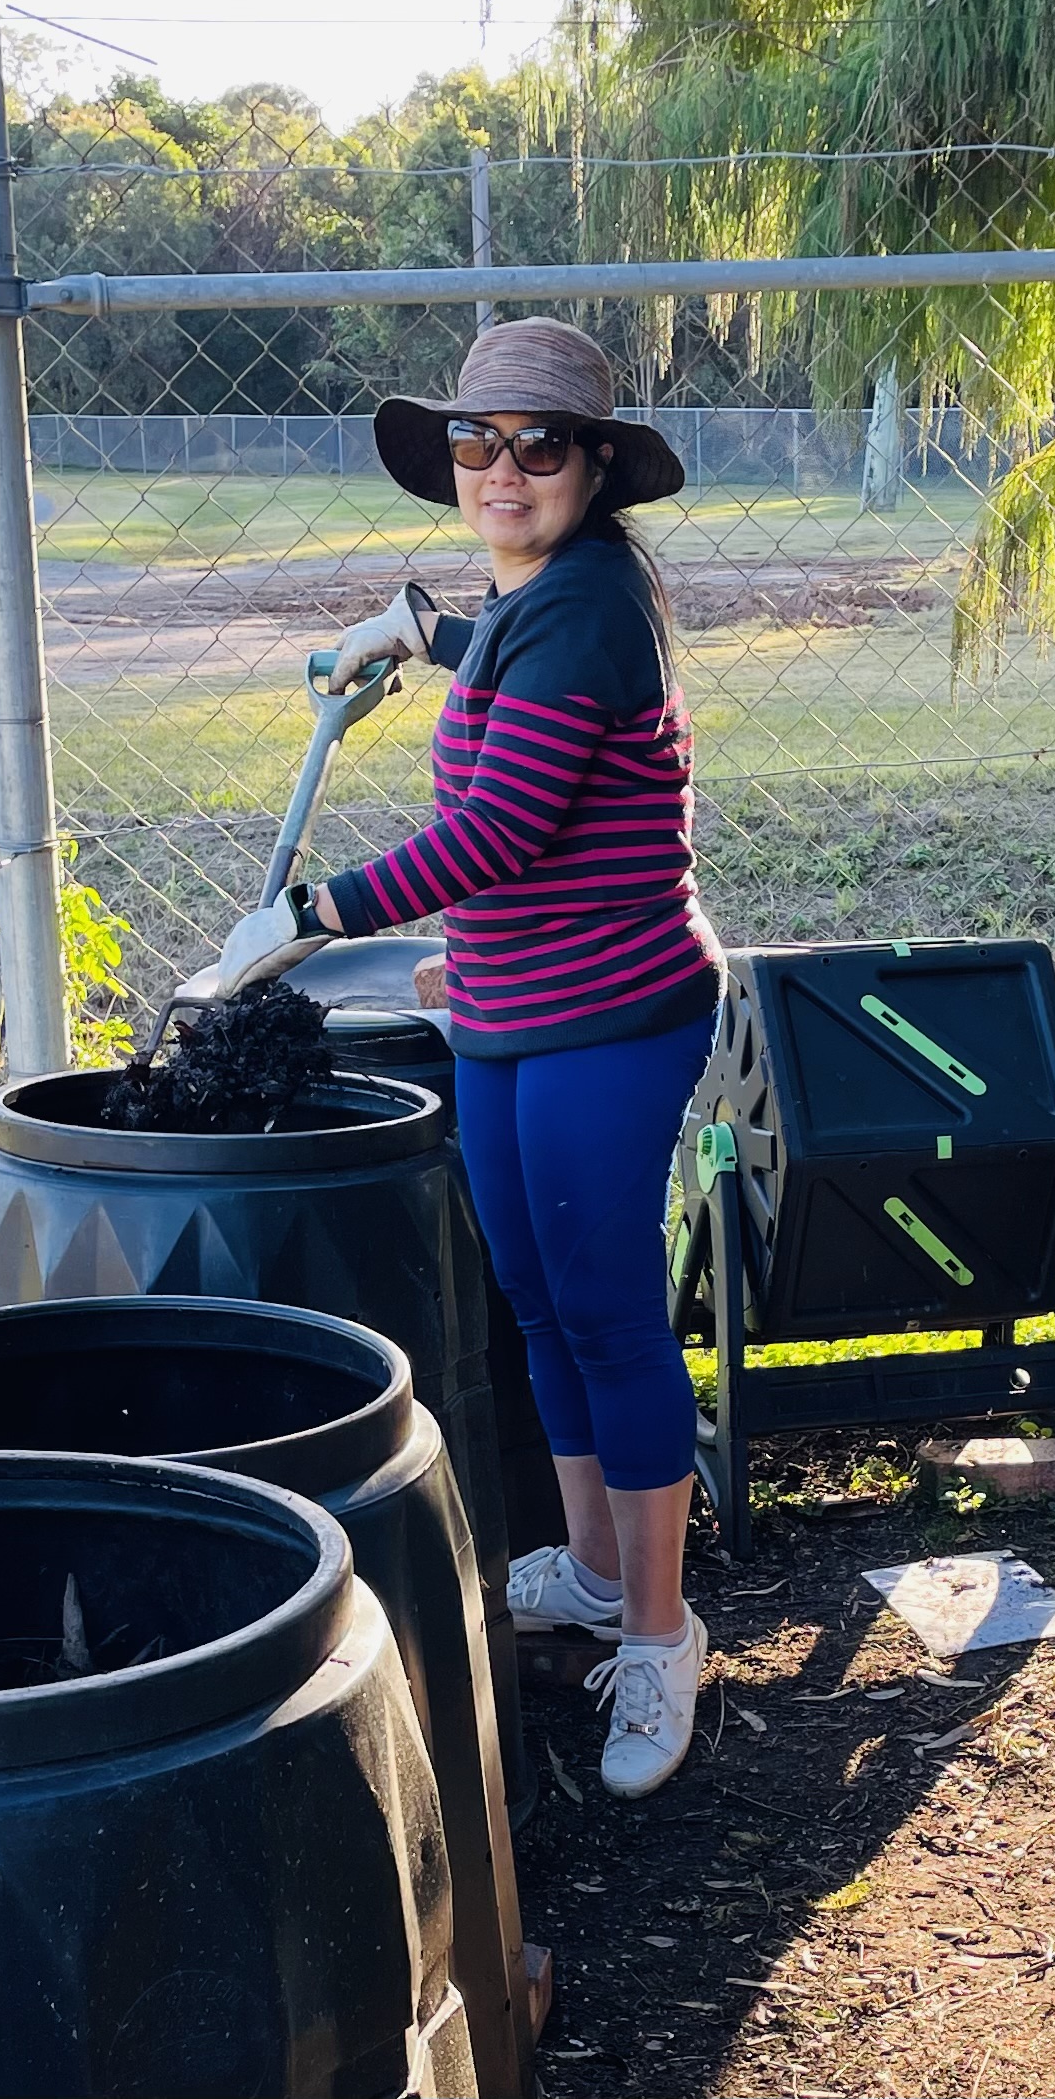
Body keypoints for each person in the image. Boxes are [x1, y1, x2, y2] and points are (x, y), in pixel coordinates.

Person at [214, 316, 725, 1798]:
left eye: (540, 446)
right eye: (475, 443)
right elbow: (503, 654)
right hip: (511, 1003)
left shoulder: (592, 607)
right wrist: (417, 630)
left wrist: (309, 917)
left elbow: (495, 829)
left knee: (608, 1313)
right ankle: (593, 1564)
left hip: (610, 1013)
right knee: (541, 1302)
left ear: (596, 467)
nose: (504, 471)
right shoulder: (534, 598)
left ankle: (660, 1632)